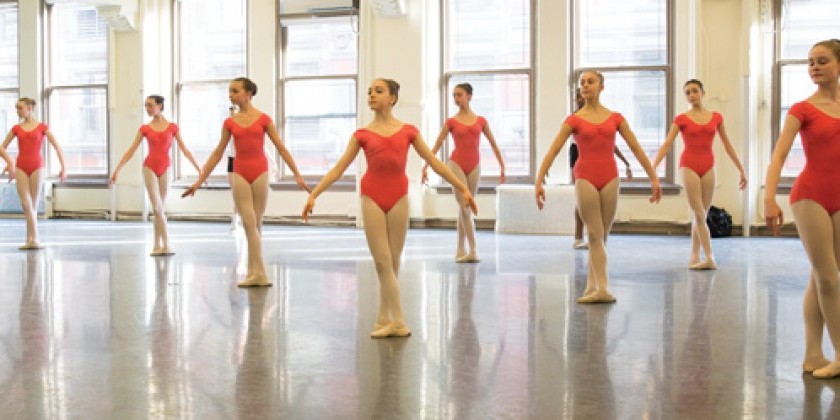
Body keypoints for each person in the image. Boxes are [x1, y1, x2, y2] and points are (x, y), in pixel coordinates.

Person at [302, 78, 477, 338]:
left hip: (399, 197)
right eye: (370, 91)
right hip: (372, 197)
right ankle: (400, 321)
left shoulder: (409, 131)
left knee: (393, 263)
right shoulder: (361, 135)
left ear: (392, 98)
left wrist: (462, 188)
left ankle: (383, 317)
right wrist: (313, 193)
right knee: (382, 262)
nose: (371, 95)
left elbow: (436, 163)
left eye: (378, 91)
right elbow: (339, 168)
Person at [535, 71, 661, 304]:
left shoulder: (615, 118)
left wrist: (653, 178)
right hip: (585, 176)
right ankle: (603, 288)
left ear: (601, 86)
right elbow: (553, 150)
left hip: (610, 177)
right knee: (594, 233)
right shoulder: (573, 120)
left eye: (590, 82)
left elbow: (636, 148)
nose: (585, 85)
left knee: (603, 237)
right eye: (582, 82)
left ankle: (592, 285)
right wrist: (539, 180)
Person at [182, 77, 309, 287]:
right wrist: (199, 181)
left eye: (234, 90)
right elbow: (217, 153)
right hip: (239, 172)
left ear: (248, 93)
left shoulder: (264, 119)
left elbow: (281, 148)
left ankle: (253, 271)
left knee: (257, 224)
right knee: (249, 223)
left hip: (260, 171)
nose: (230, 94)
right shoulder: (230, 122)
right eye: (229, 91)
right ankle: (260, 274)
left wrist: (297, 174)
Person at [765, 39, 840, 379]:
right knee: (828, 278)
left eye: (822, 60)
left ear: (838, 64)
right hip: (810, 195)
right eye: (810, 62)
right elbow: (779, 156)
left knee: (820, 276)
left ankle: (813, 354)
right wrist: (769, 198)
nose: (814, 67)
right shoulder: (802, 109)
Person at [652, 79, 746, 270]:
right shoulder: (681, 119)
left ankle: (694, 256)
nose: (691, 95)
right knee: (699, 213)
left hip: (709, 166)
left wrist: (741, 169)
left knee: (701, 214)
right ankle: (710, 257)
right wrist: (652, 167)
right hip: (688, 166)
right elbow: (668, 144)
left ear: (703, 92)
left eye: (695, 91)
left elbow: (727, 145)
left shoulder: (716, 117)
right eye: (687, 93)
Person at [421, 82, 504, 262]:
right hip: (456, 164)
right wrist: (426, 166)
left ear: (469, 96)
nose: (456, 98)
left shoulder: (481, 121)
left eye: (459, 94)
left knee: (464, 208)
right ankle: (474, 250)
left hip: (475, 165)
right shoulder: (451, 122)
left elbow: (493, 143)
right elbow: (436, 145)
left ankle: (460, 250)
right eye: (454, 95)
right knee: (466, 206)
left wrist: (502, 166)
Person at [110, 95, 202, 256]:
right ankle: (165, 245)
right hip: (149, 167)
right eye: (146, 105)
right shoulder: (145, 129)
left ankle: (156, 245)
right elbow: (130, 151)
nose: (147, 108)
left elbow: (185, 150)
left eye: (150, 105)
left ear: (160, 106)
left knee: (159, 209)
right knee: (157, 207)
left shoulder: (172, 127)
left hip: (166, 167)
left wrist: (200, 170)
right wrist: (117, 171)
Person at [569, 88, 633, 250]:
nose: (579, 99)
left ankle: (598, 238)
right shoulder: (575, 118)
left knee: (600, 205)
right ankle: (578, 236)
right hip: (580, 157)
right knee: (581, 202)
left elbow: (610, 145)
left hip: (601, 159)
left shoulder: (604, 116)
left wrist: (625, 162)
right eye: (577, 97)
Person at [1, 97, 67, 250]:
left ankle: (32, 239)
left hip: (37, 166)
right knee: (26, 204)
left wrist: (64, 167)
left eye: (20, 108)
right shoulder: (16, 128)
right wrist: (10, 163)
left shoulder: (42, 127)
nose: (17, 111)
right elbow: (1, 147)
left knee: (33, 205)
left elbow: (57, 146)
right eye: (16, 108)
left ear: (29, 109)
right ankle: (33, 239)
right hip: (21, 167)